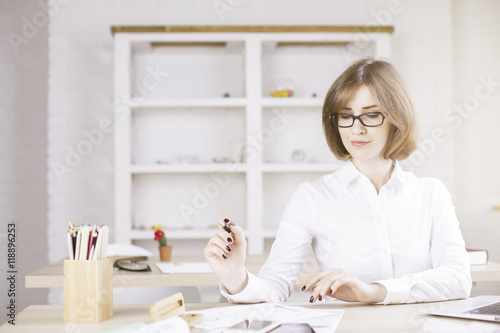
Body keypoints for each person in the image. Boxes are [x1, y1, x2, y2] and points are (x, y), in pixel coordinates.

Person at [204, 58, 472, 305]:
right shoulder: (312, 197)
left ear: (396, 119)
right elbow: (275, 287)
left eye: (371, 114)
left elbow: (458, 279)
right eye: (345, 115)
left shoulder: (430, 193)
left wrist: (374, 291)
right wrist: (236, 277)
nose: (357, 128)